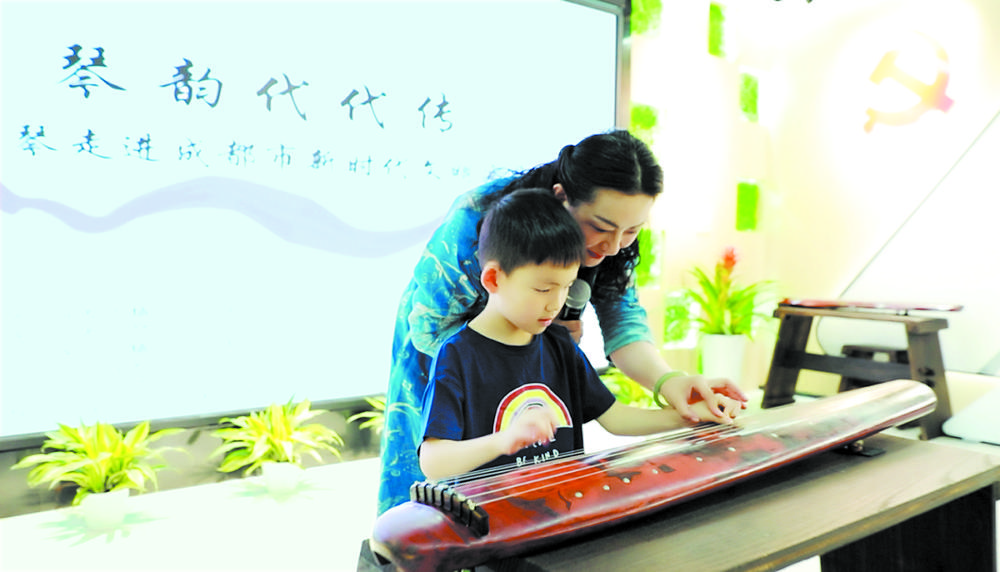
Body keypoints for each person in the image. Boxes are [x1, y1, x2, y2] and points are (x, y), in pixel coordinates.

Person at [379, 130, 747, 514]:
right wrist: (510, 365)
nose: (614, 246)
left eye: (632, 231)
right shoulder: (478, 222)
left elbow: (622, 327)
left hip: (532, 350)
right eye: (601, 227)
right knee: (431, 504)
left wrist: (673, 387)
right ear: (562, 197)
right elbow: (430, 330)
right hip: (442, 356)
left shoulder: (557, 342)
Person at [419, 189, 742, 481]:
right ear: (493, 279)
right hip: (495, 522)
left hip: (562, 514)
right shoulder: (458, 355)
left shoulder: (559, 344)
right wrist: (506, 440)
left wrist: (693, 416)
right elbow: (433, 462)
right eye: (543, 288)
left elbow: (615, 418)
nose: (556, 303)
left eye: (566, 287)